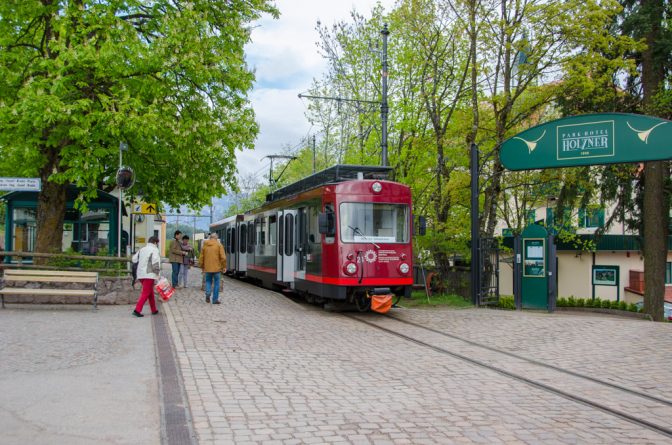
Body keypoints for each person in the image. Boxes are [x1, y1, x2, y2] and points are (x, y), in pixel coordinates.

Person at [131, 236, 161, 317]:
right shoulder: (155, 250)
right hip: (149, 274)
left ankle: (154, 309)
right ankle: (137, 310)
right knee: (146, 293)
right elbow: (155, 263)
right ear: (155, 242)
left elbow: (134, 259)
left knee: (149, 292)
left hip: (140, 274)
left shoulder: (142, 249)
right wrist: (158, 275)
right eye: (157, 243)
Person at [199, 232, 227, 304]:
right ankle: (215, 300)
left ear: (210, 237)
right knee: (217, 284)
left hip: (207, 268)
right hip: (217, 268)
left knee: (208, 281)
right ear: (216, 238)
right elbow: (223, 258)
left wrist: (202, 266)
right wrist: (224, 267)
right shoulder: (219, 245)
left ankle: (208, 294)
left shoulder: (205, 245)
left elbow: (201, 257)